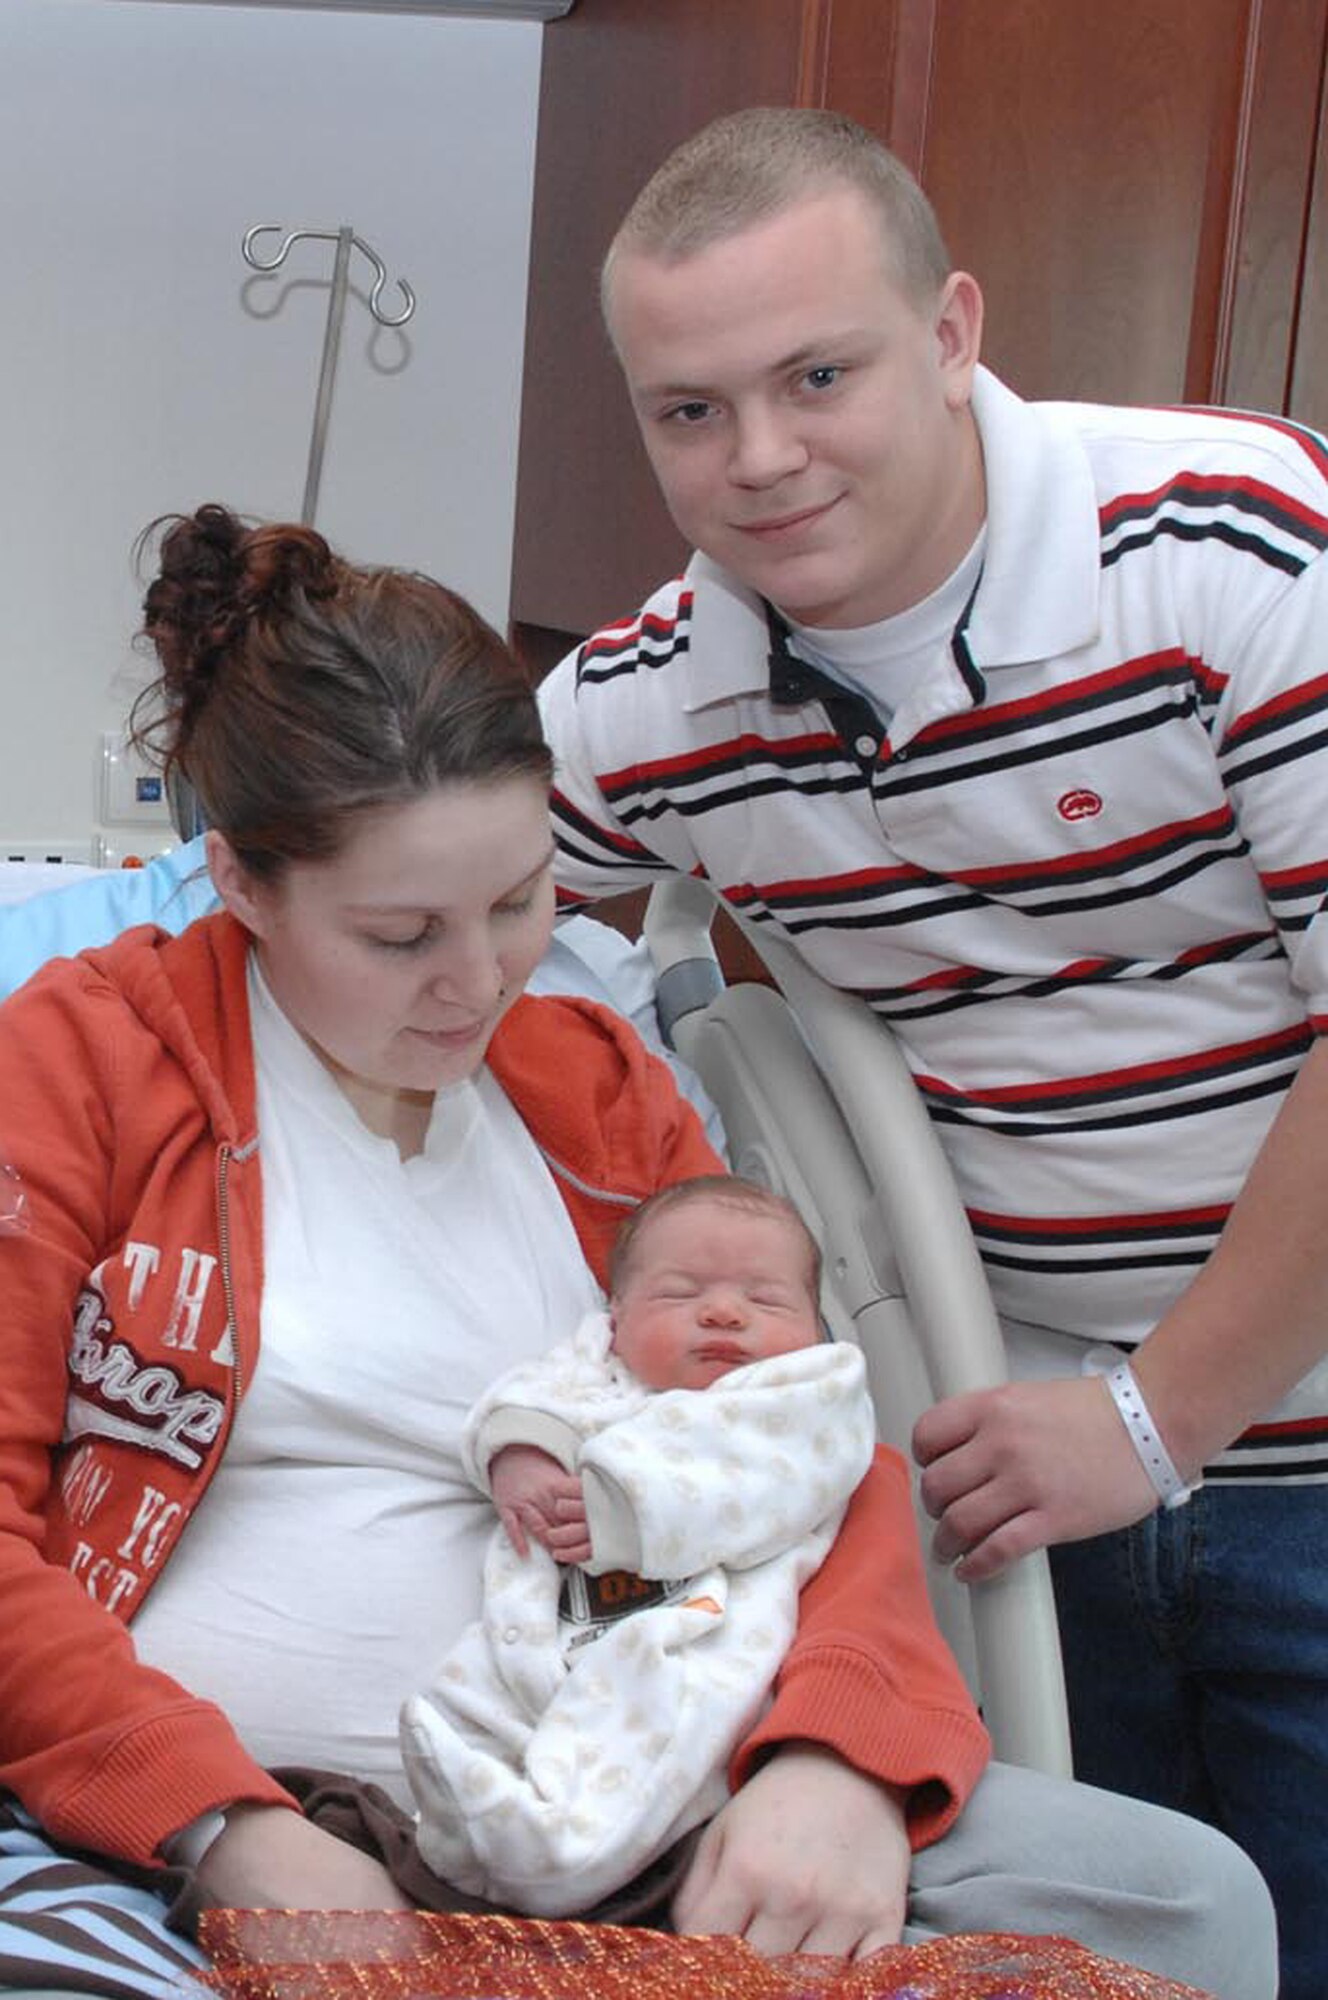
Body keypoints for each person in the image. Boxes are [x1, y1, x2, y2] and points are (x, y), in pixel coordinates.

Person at [0, 504, 1274, 2000]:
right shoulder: (86, 1065)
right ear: (242, 887)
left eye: (523, 902)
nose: (478, 985)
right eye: (404, 935)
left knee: (1188, 1905)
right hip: (226, 1827)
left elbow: (809, 1441)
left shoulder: (594, 1087)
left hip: (655, 1783)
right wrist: (224, 1831)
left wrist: (837, 1754)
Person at [536, 103, 1328, 2000]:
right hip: (997, 1466)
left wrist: (1159, 1421)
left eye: (820, 374)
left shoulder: (1240, 550)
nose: (761, 459)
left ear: (955, 330)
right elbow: (426, 924)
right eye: (690, 412)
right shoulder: (646, 706)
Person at [401, 1175, 876, 1914]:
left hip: (699, 1622)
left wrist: (629, 1512)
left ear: (816, 1327)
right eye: (679, 1294)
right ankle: (461, 1823)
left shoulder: (807, 1392)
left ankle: (563, 1858)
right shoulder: (598, 1367)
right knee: (481, 1679)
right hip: (551, 1607)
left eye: (766, 1299)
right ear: (616, 1318)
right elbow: (529, 1396)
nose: (722, 1311)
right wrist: (523, 1454)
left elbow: (776, 1475)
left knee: (655, 1732)